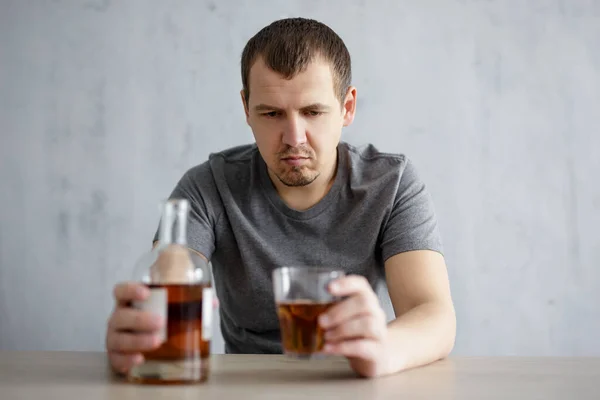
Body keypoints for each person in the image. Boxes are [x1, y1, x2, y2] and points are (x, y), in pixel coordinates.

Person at [106, 17, 456, 378]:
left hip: (351, 381)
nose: (294, 138)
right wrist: (145, 330)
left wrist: (384, 350)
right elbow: (172, 275)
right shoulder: (208, 185)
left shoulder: (391, 183)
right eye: (272, 113)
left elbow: (433, 314)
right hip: (241, 386)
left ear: (347, 107)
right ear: (246, 109)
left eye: (313, 112)